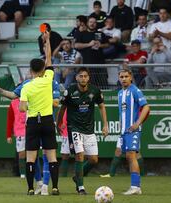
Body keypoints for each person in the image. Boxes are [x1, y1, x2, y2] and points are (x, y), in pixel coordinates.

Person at [19, 31, 59, 196]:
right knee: (51, 157)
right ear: (43, 69)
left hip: (33, 122)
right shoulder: (48, 78)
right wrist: (47, 41)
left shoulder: (26, 86)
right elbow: (49, 58)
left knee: (30, 157)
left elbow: (22, 108)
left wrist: (30, 107)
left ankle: (30, 188)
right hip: (48, 121)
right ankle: (55, 187)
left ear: (30, 70)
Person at [57, 67, 109, 195]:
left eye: (85, 76)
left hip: (89, 130)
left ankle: (77, 177)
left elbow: (102, 106)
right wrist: (59, 123)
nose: (83, 78)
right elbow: (62, 109)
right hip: (74, 128)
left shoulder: (95, 91)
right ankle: (80, 188)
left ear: (89, 78)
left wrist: (105, 124)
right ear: (76, 78)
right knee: (79, 155)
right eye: (81, 76)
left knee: (93, 160)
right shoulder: (70, 91)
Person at [117, 68, 150, 195]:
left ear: (131, 77)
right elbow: (122, 113)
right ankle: (135, 186)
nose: (124, 79)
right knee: (129, 156)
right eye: (121, 77)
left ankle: (136, 187)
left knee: (131, 155)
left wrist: (137, 123)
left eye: (126, 76)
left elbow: (146, 107)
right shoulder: (120, 93)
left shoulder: (135, 90)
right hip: (124, 131)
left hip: (133, 130)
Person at [74, 16, 109, 88]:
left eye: (94, 22)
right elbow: (76, 45)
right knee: (89, 85)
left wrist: (101, 45)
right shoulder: (82, 33)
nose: (92, 24)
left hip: (100, 63)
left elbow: (107, 44)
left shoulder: (99, 33)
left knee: (104, 85)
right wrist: (89, 44)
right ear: (87, 23)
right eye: (90, 22)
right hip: (88, 64)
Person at [6, 97, 27, 178]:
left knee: (31, 154)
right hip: (19, 132)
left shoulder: (30, 100)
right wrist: (8, 135)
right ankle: (22, 175)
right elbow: (10, 120)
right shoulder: (13, 103)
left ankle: (32, 173)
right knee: (21, 154)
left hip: (31, 131)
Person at [57, 109, 70, 177]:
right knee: (65, 155)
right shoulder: (65, 104)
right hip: (66, 133)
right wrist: (60, 124)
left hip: (78, 130)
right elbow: (60, 112)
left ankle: (82, 174)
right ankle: (63, 176)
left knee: (80, 155)